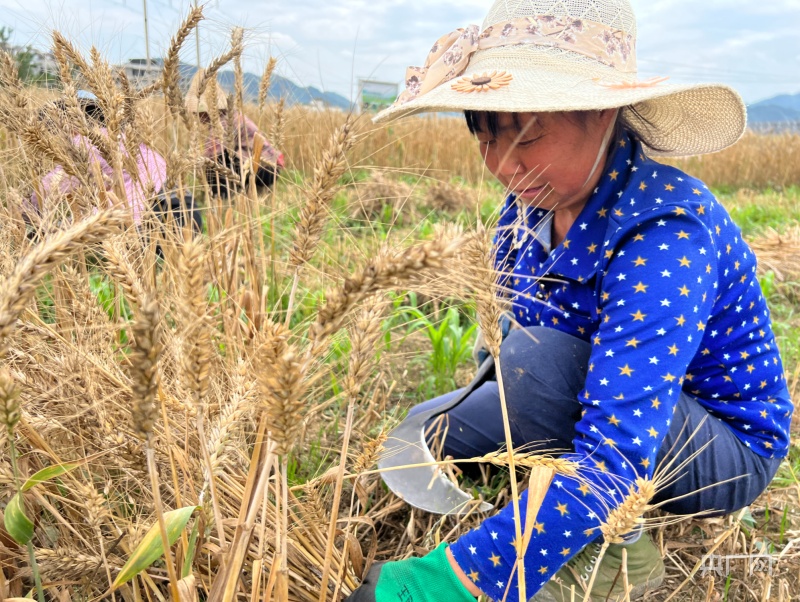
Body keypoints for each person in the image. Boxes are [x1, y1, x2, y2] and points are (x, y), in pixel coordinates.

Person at [347, 1, 793, 601]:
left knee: (537, 369)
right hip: (578, 384)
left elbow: (614, 451)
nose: (502, 164)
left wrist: (447, 583)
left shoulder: (664, 231)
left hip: (719, 441)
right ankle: (546, 488)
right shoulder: (527, 208)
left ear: (601, 111)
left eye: (528, 133)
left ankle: (619, 555)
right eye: (484, 134)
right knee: (438, 430)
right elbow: (511, 342)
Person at [28, 90, 201, 235]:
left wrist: (24, 213)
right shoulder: (128, 140)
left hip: (150, 224)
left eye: (61, 121)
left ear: (71, 120)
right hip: (188, 214)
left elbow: (49, 189)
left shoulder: (83, 144)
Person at [184, 69, 285, 198]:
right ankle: (237, 193)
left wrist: (192, 165)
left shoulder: (223, 121)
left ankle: (221, 197)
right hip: (267, 166)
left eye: (198, 111)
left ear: (207, 109)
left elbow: (211, 154)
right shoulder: (230, 116)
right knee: (221, 158)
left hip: (265, 169)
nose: (197, 116)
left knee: (214, 164)